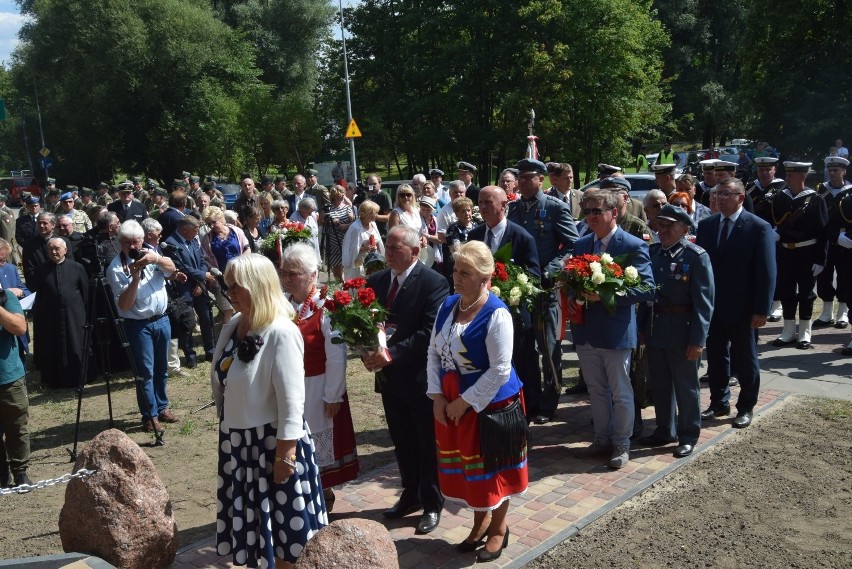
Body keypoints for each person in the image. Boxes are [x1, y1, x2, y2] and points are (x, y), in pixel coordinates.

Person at [212, 253, 327, 569]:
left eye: (236, 286)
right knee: (258, 533)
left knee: (287, 535)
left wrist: (284, 457)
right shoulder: (236, 324)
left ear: (257, 286)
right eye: (227, 286)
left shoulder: (280, 331)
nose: (229, 293)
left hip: (273, 444)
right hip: (239, 445)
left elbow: (292, 402)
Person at [427, 241, 527, 562]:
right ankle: (480, 521)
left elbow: (499, 368)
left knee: (494, 467)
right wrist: (437, 396)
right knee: (473, 470)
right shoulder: (448, 305)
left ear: (485, 278)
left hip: (492, 404)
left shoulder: (497, 313)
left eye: (465, 273)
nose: (456, 277)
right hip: (455, 401)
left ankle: (499, 529)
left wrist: (465, 402)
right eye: (456, 270)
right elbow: (433, 353)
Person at [363, 225, 449, 534]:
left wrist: (392, 354)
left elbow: (430, 332)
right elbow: (365, 324)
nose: (388, 252)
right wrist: (367, 351)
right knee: (402, 440)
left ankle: (432, 502)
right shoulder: (375, 281)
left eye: (396, 248)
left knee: (427, 442)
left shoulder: (433, 282)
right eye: (387, 246)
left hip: (420, 378)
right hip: (390, 380)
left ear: (415, 252)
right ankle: (410, 493)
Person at [569, 188, 655, 469]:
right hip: (586, 331)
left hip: (616, 331)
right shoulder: (582, 245)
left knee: (620, 390)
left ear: (614, 212)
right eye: (588, 211)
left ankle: (622, 443)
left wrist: (608, 296)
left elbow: (647, 287)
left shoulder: (631, 244)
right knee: (595, 389)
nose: (591, 216)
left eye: (597, 211)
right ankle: (601, 439)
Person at [278, 243, 357, 511]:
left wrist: (333, 395)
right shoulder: (283, 304)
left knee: (318, 442)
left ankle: (323, 494)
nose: (287, 279)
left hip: (318, 386)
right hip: (290, 388)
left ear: (312, 275)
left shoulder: (326, 306)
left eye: (293, 274)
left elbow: (336, 356)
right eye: (285, 273)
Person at [696, 177, 776, 428]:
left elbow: (767, 272)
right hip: (713, 306)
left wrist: (762, 309)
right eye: (717, 194)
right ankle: (719, 402)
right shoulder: (707, 225)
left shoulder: (758, 227)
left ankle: (746, 406)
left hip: (743, 308)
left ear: (740, 197)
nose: (719, 198)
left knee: (745, 359)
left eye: (726, 194)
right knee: (717, 357)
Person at [638, 205, 714, 458]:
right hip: (656, 328)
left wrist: (698, 340)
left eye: (670, 225)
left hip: (683, 330)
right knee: (660, 383)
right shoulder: (653, 252)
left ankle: (688, 434)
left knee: (686, 386)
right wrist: (641, 329)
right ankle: (664, 429)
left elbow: (704, 303)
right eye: (660, 224)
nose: (663, 229)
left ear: (684, 229)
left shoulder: (695, 256)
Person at [507, 158, 579, 425]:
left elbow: (573, 246)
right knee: (522, 349)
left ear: (541, 179)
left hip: (545, 290)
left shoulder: (555, 208)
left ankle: (550, 402)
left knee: (549, 348)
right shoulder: (513, 210)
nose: (524, 182)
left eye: (529, 177)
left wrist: (550, 269)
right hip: (517, 291)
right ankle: (530, 400)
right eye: (521, 178)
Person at [468, 186, 542, 419]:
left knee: (521, 365)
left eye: (489, 202)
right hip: (481, 315)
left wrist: (508, 285)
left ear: (504, 205)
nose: (483, 208)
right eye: (480, 203)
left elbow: (533, 276)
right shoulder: (475, 236)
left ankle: (525, 414)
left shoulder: (522, 237)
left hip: (514, 316)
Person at [107, 220, 179, 437]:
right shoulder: (116, 268)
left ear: (142, 240)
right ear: (120, 244)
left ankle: (162, 406)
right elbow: (124, 305)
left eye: (136, 242)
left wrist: (155, 258)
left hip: (162, 319)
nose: (133, 247)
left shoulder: (151, 253)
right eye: (127, 243)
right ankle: (149, 415)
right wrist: (135, 277)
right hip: (138, 324)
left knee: (161, 369)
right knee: (145, 372)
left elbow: (172, 269)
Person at [770, 162, 828, 349]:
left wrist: (821, 259)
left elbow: (823, 232)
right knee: (786, 291)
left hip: (807, 252)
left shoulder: (816, 199)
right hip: (786, 251)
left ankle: (804, 332)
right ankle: (788, 331)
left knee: (805, 293)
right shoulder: (780, 197)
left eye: (791, 175)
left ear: (802, 176)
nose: (787, 178)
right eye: (787, 174)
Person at [30, 238, 88, 389]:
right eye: (51, 249)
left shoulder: (77, 267)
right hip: (51, 316)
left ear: (65, 250)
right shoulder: (41, 270)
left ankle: (79, 376)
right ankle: (54, 380)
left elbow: (85, 293)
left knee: (76, 344)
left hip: (74, 315)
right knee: (52, 346)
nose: (54, 252)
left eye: (57, 248)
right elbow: (39, 295)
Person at [163, 216, 216, 365]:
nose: (197, 232)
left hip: (199, 286)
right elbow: (180, 267)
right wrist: (203, 276)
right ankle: (190, 355)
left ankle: (210, 350)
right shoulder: (170, 244)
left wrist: (200, 282)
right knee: (186, 322)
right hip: (182, 288)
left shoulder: (193, 239)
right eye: (195, 229)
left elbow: (201, 261)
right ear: (185, 229)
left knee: (206, 318)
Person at [814, 156, 852, 328]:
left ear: (844, 171)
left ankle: (842, 312)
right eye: (829, 170)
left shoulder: (850, 191)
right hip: (825, 240)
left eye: (836, 170)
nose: (832, 173)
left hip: (844, 242)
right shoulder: (821, 190)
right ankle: (826, 312)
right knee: (824, 275)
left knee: (845, 276)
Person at [0, 284, 30, 487]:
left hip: (9, 377)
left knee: (16, 427)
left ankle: (20, 471)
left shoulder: (6, 297)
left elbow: (20, 327)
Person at [201, 206, 250, 324]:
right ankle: (227, 336)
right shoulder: (207, 239)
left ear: (221, 218)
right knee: (227, 310)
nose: (212, 226)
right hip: (222, 279)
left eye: (213, 222)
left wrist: (240, 265)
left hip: (242, 275)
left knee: (246, 305)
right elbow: (205, 259)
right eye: (208, 224)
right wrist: (215, 272)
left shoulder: (236, 231)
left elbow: (247, 248)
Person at [318, 185, 355, 281]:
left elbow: (353, 222)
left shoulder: (347, 207)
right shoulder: (328, 209)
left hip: (346, 238)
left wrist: (345, 226)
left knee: (346, 260)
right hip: (333, 239)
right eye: (339, 194)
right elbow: (321, 222)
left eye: (343, 193)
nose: (342, 196)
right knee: (336, 263)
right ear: (334, 196)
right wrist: (331, 220)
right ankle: (339, 282)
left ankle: (347, 280)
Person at [341, 201, 385, 281]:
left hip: (374, 262)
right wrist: (364, 248)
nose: (376, 215)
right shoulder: (355, 228)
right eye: (375, 213)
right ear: (367, 213)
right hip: (359, 264)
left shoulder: (373, 224)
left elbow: (379, 241)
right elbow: (350, 250)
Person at [440, 197, 476, 285]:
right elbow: (456, 250)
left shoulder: (476, 225)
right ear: (456, 214)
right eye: (463, 211)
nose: (467, 213)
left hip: (474, 265)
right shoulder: (453, 229)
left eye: (468, 210)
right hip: (457, 267)